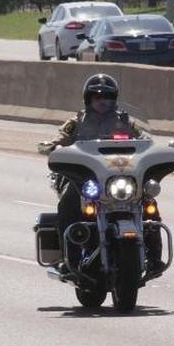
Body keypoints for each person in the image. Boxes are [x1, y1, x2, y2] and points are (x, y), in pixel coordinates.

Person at [39, 73, 152, 275]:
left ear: (114, 99)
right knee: (68, 201)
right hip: (85, 177)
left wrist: (153, 148)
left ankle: (154, 255)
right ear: (88, 99)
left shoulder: (125, 120)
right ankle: (68, 257)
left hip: (118, 176)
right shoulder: (77, 121)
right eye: (97, 97)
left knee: (149, 201)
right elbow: (61, 138)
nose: (102, 101)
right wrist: (53, 146)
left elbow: (145, 140)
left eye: (107, 97)